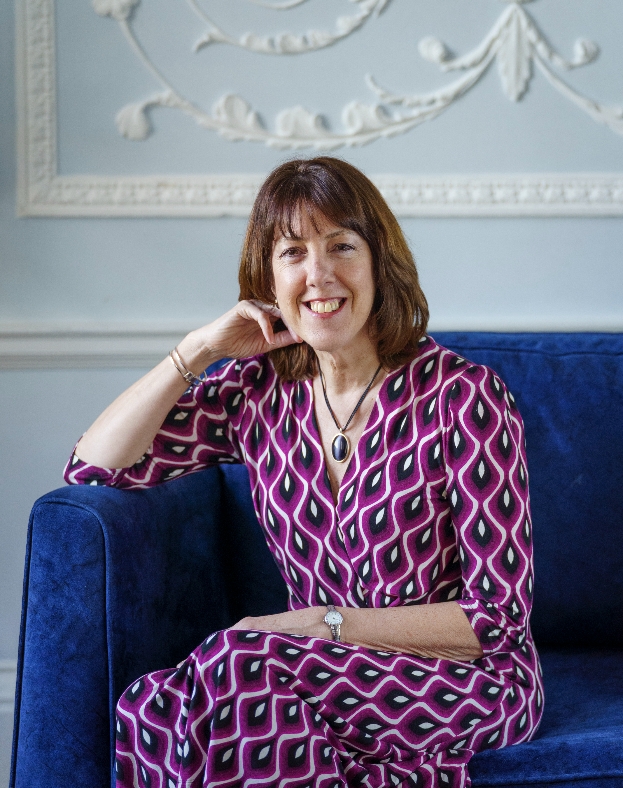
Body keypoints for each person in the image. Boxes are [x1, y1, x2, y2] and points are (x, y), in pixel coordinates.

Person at [65, 157, 543, 788]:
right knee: (153, 708)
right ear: (268, 277)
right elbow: (94, 469)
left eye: (341, 245)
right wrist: (199, 349)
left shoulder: (464, 397)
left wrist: (325, 624)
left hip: (466, 676)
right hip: (307, 669)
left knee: (242, 672)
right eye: (292, 252)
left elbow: (495, 619)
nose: (319, 274)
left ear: (379, 261)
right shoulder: (257, 393)